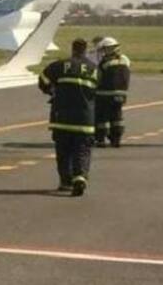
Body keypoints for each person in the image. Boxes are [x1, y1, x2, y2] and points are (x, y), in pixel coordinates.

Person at [39, 38, 98, 196]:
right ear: (85, 50)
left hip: (62, 118)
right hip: (85, 119)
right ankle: (80, 177)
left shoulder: (60, 65)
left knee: (63, 152)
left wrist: (51, 91)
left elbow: (43, 79)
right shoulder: (94, 68)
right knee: (82, 150)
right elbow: (100, 91)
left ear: (73, 49)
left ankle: (66, 182)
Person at [94, 37, 131, 148]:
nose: (103, 52)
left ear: (110, 48)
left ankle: (101, 139)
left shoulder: (105, 63)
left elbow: (98, 78)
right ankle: (116, 139)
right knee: (117, 116)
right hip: (121, 94)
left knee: (102, 117)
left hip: (104, 94)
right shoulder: (125, 60)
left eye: (105, 49)